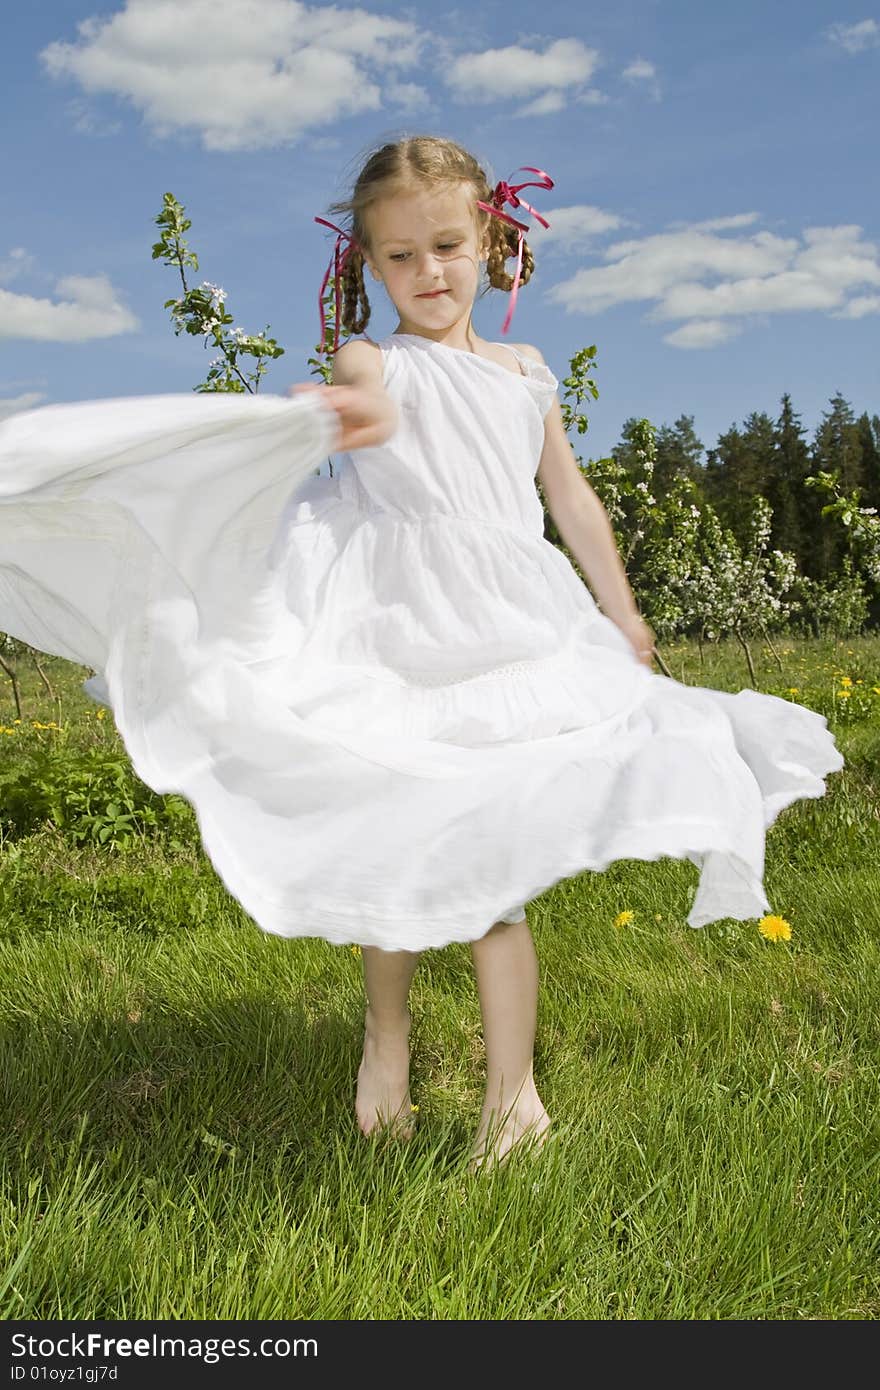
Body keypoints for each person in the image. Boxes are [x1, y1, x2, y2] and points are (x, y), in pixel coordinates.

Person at [0, 136, 844, 1170]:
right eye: (399, 257)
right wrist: (342, 414)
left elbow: (567, 500)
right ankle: (385, 1041)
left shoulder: (527, 374)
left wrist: (620, 612)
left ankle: (512, 1097)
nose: (428, 273)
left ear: (491, 239)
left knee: (496, 867)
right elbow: (375, 402)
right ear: (367, 266)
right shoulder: (373, 358)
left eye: (447, 245)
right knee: (392, 831)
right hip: (392, 623)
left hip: (506, 623)